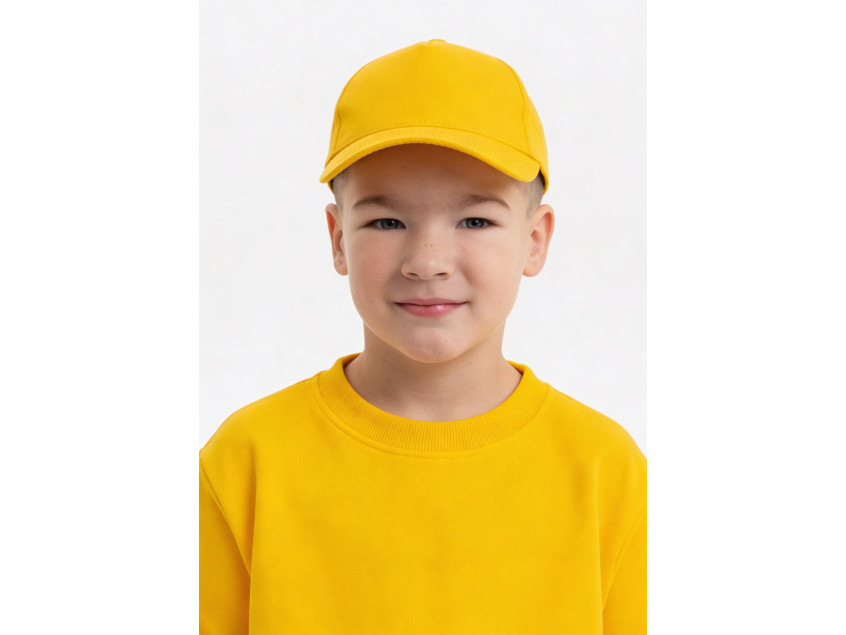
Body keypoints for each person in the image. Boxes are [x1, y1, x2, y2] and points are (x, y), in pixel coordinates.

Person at [200, 39, 646, 634]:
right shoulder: (245, 462)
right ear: (338, 239)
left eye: (475, 220)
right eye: (387, 221)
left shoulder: (605, 472)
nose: (428, 261)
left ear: (535, 240)